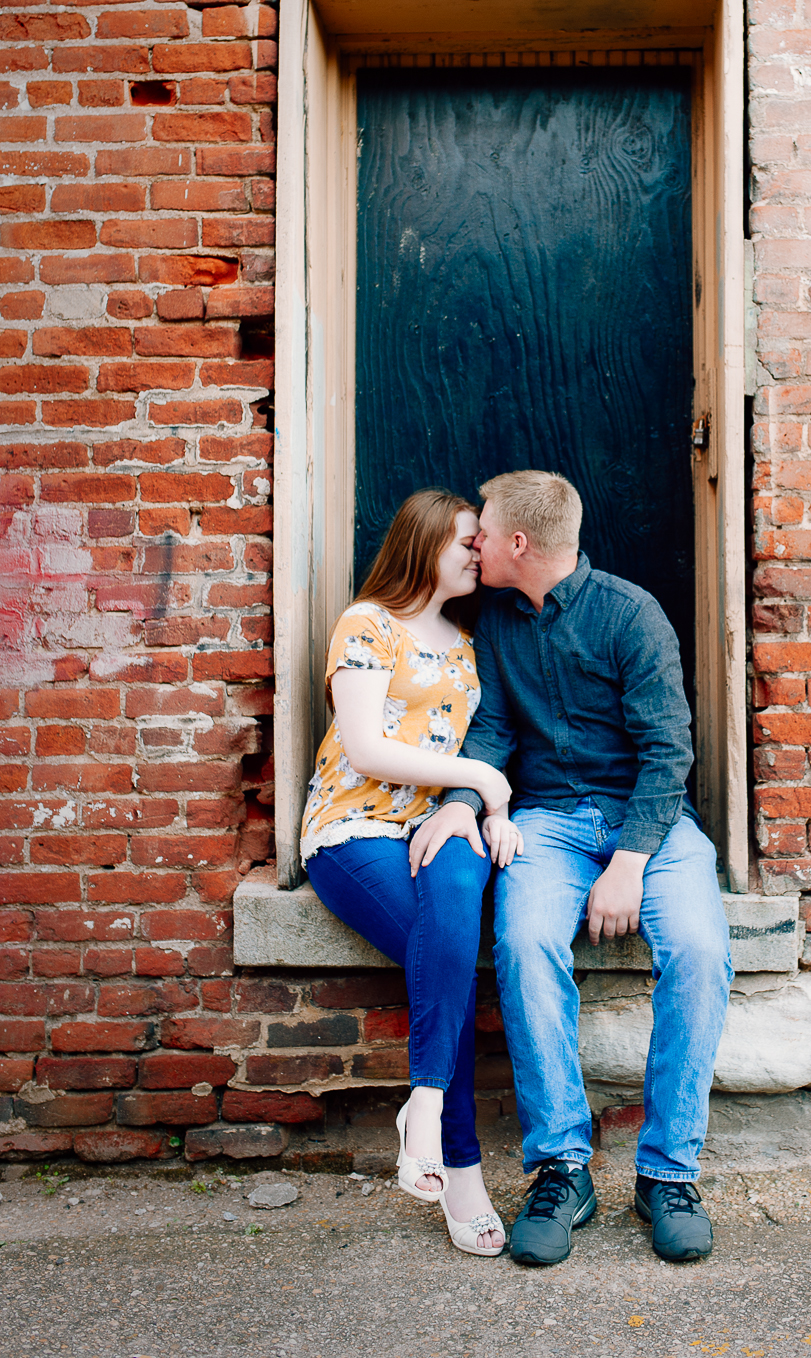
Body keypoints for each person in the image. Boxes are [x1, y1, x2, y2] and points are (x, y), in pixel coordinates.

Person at [407, 470, 732, 1267]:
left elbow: (668, 753)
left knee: (698, 950)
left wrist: (628, 863)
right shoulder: (496, 620)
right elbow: (489, 730)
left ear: (518, 542)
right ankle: (561, 1167)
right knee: (521, 945)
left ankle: (667, 1175)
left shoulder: (630, 615)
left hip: (646, 823)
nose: (474, 538)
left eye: (481, 528)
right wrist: (460, 798)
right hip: (546, 824)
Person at [301, 488, 524, 1257]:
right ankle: (460, 1169)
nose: (477, 553)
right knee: (448, 959)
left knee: (454, 910)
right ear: (425, 541)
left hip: (437, 825)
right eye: (466, 540)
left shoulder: (468, 642)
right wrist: (485, 781)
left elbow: (488, 746)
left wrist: (484, 804)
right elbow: (364, 748)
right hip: (355, 829)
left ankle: (422, 1105)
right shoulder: (368, 624)